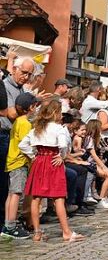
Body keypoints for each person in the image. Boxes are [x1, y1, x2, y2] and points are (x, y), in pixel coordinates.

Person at [20, 98, 83, 242]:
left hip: (40, 161)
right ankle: (66, 232)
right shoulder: (58, 128)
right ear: (55, 112)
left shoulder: (37, 128)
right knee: (58, 198)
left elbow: (23, 145)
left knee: (36, 198)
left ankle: (37, 232)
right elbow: (63, 145)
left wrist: (32, 155)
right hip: (53, 162)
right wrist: (61, 156)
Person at [2, 92, 37, 239]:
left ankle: (8, 223)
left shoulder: (18, 120)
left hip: (14, 161)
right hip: (19, 162)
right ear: (30, 107)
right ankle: (10, 226)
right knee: (16, 193)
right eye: (35, 106)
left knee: (12, 193)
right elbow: (25, 144)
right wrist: (34, 156)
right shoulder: (24, 123)